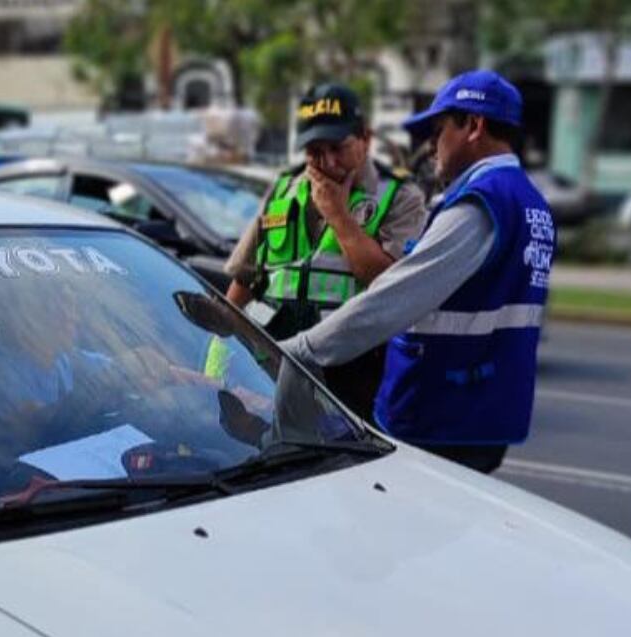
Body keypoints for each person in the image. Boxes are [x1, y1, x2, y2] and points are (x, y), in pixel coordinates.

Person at [280, 70, 556, 474]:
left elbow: (396, 295)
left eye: (439, 129)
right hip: (480, 410)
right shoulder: (527, 200)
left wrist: (304, 349)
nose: (430, 146)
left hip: (443, 415)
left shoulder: (483, 203)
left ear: (474, 126)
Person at [221, 83, 426, 419]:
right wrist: (219, 349)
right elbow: (246, 278)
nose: (329, 162)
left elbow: (387, 281)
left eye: (338, 147)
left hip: (349, 376)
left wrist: (338, 215)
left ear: (365, 139)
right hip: (273, 365)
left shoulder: (400, 196)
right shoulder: (285, 187)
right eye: (316, 151)